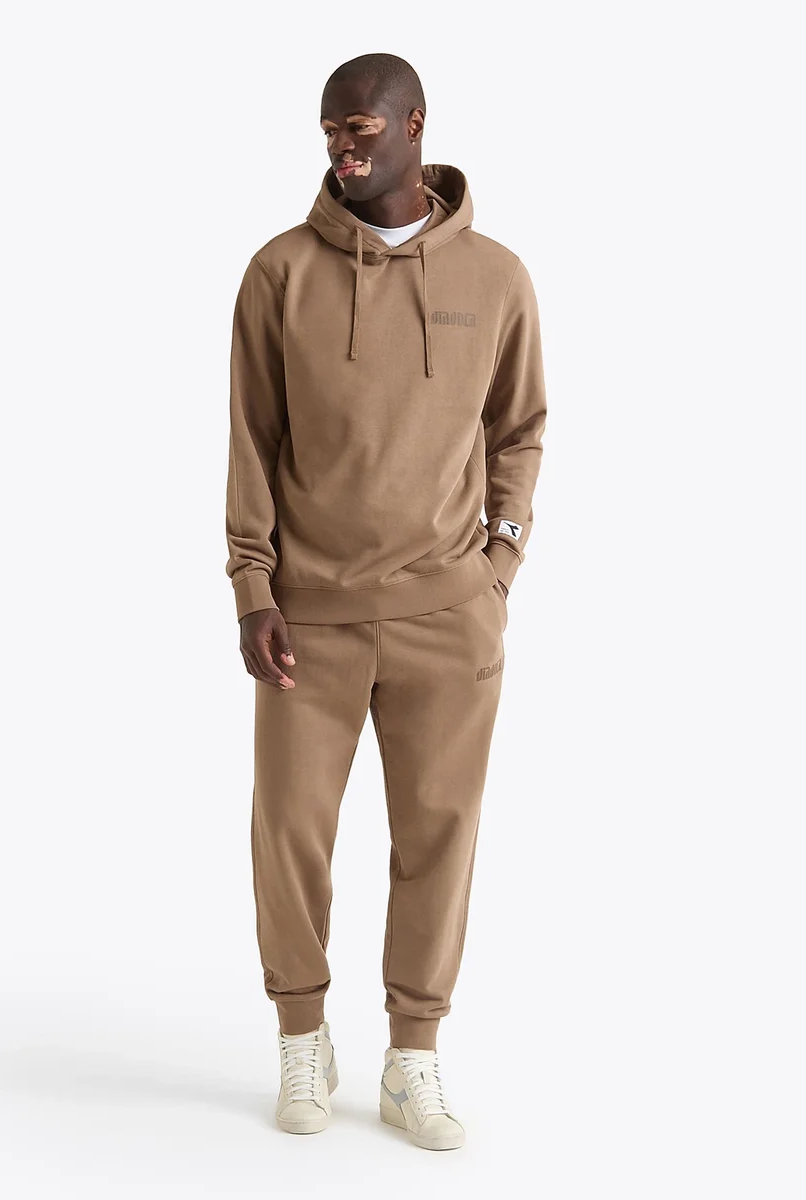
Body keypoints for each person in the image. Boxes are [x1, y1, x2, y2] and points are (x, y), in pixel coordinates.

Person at [224, 52, 547, 1150]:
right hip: (306, 614)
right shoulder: (278, 272)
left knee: (437, 837)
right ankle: (300, 1036)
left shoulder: (496, 277)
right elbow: (251, 439)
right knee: (288, 834)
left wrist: (499, 563)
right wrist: (251, 586)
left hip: (448, 614)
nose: (340, 148)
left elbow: (519, 427)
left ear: (414, 126)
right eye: (329, 131)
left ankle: (413, 1057)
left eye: (358, 128)